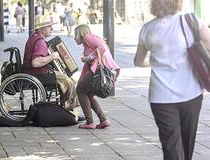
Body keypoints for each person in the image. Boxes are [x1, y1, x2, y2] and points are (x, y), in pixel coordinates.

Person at [133, 0, 210, 159]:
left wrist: (155, 62)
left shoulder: (148, 28)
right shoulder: (191, 21)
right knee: (188, 140)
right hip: (191, 93)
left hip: (160, 97)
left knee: (170, 145)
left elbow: (138, 61)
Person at [22, 15, 78, 112]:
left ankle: (64, 107)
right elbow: (35, 63)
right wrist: (53, 57)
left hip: (32, 72)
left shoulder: (35, 37)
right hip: (37, 73)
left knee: (66, 78)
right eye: (49, 26)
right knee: (68, 80)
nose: (51, 28)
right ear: (41, 29)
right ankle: (69, 107)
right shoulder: (40, 42)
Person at [74, 24, 120, 129]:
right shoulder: (87, 42)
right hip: (98, 70)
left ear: (81, 33)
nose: (74, 38)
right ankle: (103, 120)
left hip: (98, 70)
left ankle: (89, 122)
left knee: (80, 90)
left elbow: (102, 48)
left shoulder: (88, 37)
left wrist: (88, 57)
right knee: (88, 94)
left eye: (75, 34)